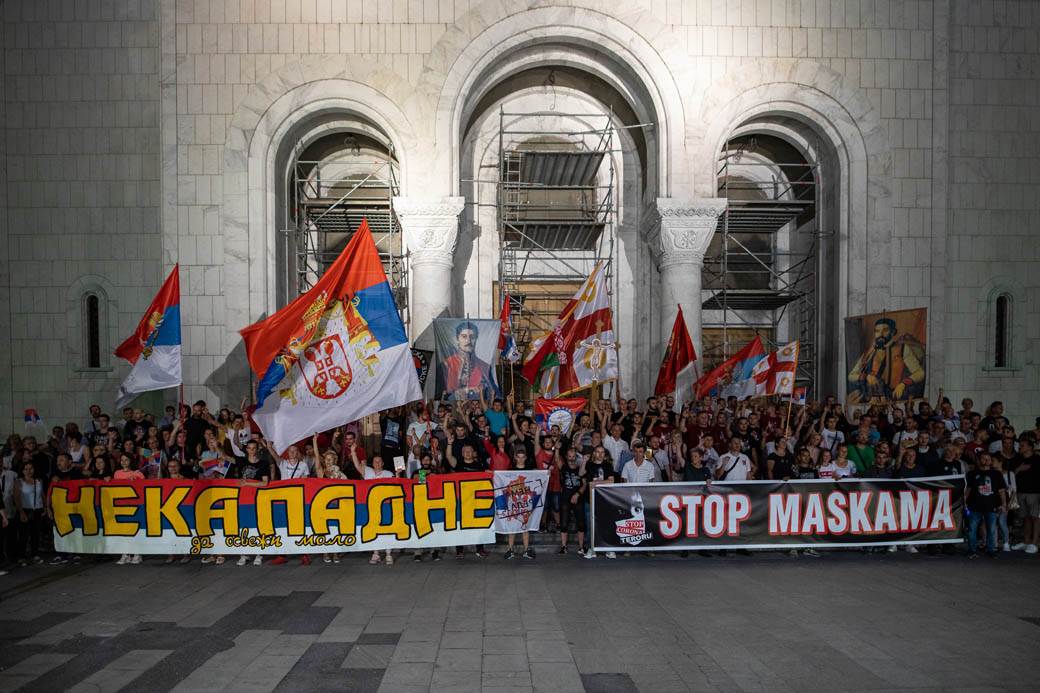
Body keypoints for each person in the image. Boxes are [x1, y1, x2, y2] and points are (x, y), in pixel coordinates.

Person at [847, 316, 926, 403]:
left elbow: (920, 373)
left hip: (893, 396)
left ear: (893, 332)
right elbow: (851, 376)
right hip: (871, 397)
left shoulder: (902, 348)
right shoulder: (869, 352)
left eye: (885, 330)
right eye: (877, 331)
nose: (880, 334)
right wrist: (866, 376)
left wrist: (903, 384)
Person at [439, 321, 497, 400]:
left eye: (472, 337)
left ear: (476, 339)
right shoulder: (446, 365)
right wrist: (458, 393)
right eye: (464, 336)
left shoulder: (485, 367)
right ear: (457, 339)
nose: (468, 341)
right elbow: (440, 395)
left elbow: (493, 394)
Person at [965, 452, 1007, 559]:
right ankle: (972, 550)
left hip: (991, 506)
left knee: (992, 529)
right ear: (979, 460)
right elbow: (968, 490)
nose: (987, 461)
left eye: (989, 459)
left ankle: (991, 550)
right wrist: (964, 503)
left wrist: (1003, 504)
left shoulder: (997, 474)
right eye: (984, 459)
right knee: (972, 529)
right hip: (974, 506)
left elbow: (1001, 490)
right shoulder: (972, 473)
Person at [503, 448, 537, 561]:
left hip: (525, 503)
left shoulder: (530, 471)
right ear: (515, 458)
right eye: (519, 457)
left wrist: (546, 473)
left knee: (525, 527)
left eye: (523, 457)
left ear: (526, 458)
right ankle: (509, 550)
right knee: (512, 527)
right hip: (513, 503)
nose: (521, 459)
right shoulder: (510, 471)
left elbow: (538, 478)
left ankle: (526, 550)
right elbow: (503, 481)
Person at [13, 461, 45, 565]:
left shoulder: (38, 481)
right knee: (23, 535)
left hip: (37, 510)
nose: (28, 471)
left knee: (35, 534)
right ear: (22, 471)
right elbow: (16, 498)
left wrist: (46, 507)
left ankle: (34, 554)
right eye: (26, 469)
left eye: (31, 468)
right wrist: (21, 512)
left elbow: (42, 495)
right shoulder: (19, 482)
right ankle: (21, 557)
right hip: (25, 510)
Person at [1011, 438, 1040, 554]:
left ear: (1030, 447)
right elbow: (1011, 474)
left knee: (1035, 518)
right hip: (1021, 492)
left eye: (1022, 445)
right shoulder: (1018, 459)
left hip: (1035, 493)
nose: (1020, 447)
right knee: (1026, 518)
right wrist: (1019, 469)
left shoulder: (1038, 460)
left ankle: (1034, 543)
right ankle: (1026, 541)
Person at [558, 447, 587, 556]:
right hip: (565, 498)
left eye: (573, 456)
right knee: (564, 523)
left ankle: (581, 547)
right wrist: (556, 449)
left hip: (578, 498)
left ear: (576, 457)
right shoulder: (563, 467)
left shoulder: (581, 468)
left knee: (581, 523)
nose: (571, 458)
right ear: (566, 457)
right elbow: (557, 460)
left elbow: (584, 484)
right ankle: (563, 546)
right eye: (569, 456)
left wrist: (577, 494)